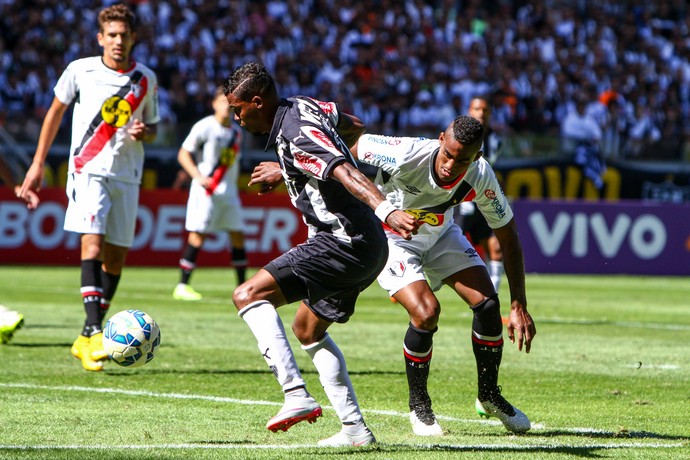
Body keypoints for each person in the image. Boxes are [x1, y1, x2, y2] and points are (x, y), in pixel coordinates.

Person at [223, 61, 418, 447]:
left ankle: (295, 394)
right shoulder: (304, 106)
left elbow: (343, 170)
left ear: (257, 102)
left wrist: (387, 209)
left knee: (247, 295)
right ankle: (355, 430)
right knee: (307, 330)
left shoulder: (296, 135)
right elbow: (355, 124)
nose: (236, 118)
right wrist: (290, 168)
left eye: (238, 110)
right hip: (367, 246)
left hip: (343, 241)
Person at [351, 115, 536, 436]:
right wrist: (286, 170)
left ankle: (489, 395)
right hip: (392, 238)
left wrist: (518, 304)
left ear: (476, 157)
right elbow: (345, 149)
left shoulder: (481, 175)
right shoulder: (405, 152)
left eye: (462, 160)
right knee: (426, 313)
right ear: (440, 139)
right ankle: (419, 407)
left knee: (489, 305)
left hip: (441, 234)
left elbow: (508, 236)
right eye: (447, 154)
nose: (451, 164)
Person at [18, 4, 160, 371]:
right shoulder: (79, 70)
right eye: (111, 35)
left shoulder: (146, 79)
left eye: (123, 35)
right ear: (100, 38)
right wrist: (37, 164)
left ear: (133, 39)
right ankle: (96, 330)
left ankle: (85, 336)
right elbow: (54, 113)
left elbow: (154, 126)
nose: (117, 41)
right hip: (88, 168)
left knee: (116, 258)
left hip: (127, 173)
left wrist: (147, 131)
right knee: (92, 243)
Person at [173, 86, 247, 301]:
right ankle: (182, 285)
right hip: (207, 191)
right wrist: (197, 175)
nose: (227, 107)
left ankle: (243, 287)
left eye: (230, 103)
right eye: (223, 102)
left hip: (229, 192)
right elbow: (183, 153)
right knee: (198, 234)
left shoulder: (236, 132)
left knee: (238, 235)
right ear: (214, 104)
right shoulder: (204, 127)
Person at [455, 96, 505, 291]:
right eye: (477, 109)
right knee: (442, 242)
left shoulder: (495, 140)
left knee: (496, 248)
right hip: (460, 199)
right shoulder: (458, 134)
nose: (481, 113)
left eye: (485, 110)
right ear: (469, 110)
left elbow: (487, 169)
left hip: (483, 199)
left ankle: (493, 296)